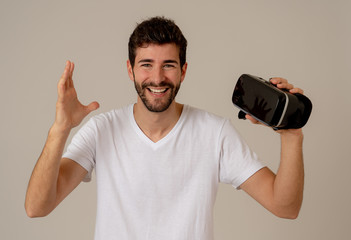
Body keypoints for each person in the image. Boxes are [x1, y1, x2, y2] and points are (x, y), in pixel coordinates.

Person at [25, 16, 305, 240]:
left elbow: (285, 207)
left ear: (183, 70)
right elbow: (37, 207)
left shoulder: (214, 132)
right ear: (130, 69)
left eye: (168, 65)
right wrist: (60, 128)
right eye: (146, 64)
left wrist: (291, 134)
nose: (157, 78)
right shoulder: (102, 129)